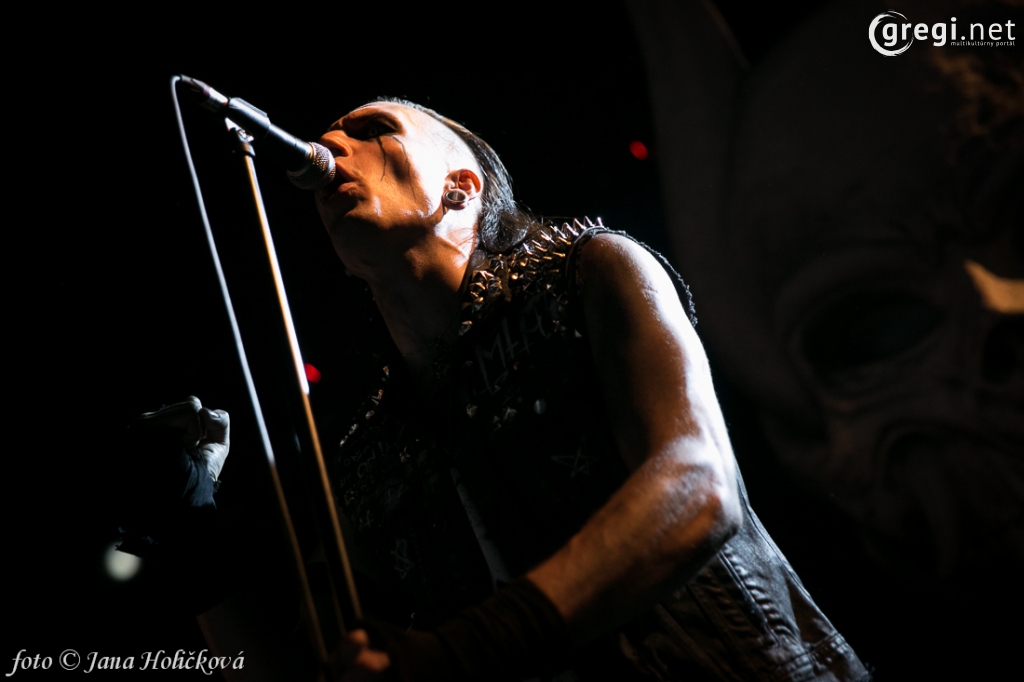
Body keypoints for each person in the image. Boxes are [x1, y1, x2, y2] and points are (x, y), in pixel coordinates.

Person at [135, 100, 870, 681]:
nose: (332, 145)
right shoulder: (367, 450)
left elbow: (699, 484)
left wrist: (466, 651)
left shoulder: (591, 270)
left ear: (460, 188)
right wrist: (190, 532)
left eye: (373, 131)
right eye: (335, 134)